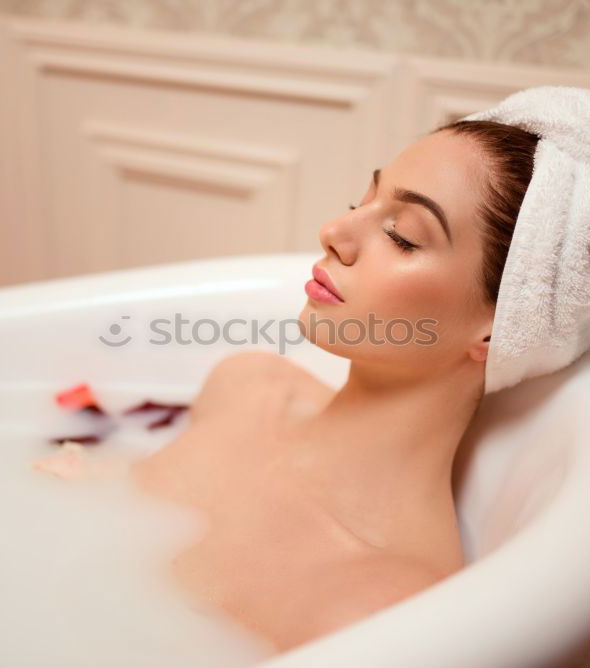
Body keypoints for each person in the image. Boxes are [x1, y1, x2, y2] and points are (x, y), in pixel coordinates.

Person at [127, 119, 541, 653]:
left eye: (402, 235)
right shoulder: (247, 386)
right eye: (359, 202)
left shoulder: (385, 608)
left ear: (499, 328)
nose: (334, 232)